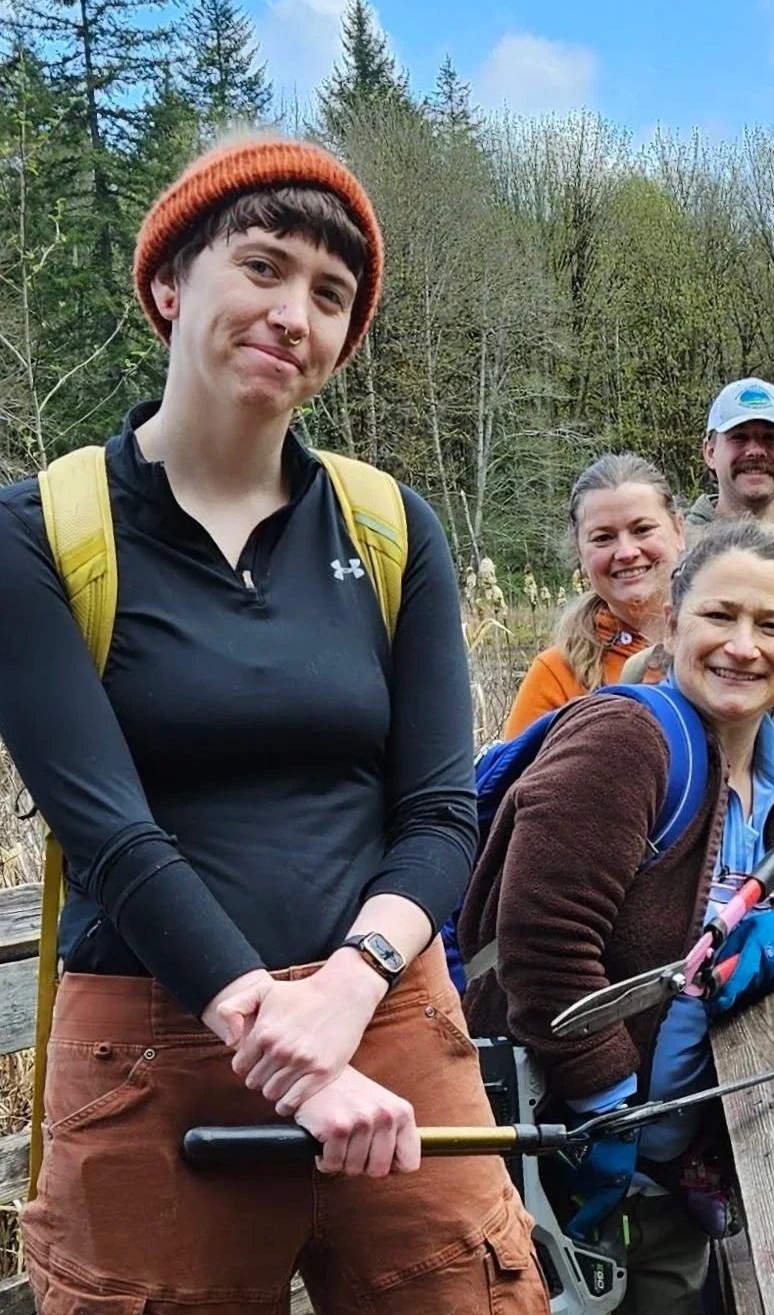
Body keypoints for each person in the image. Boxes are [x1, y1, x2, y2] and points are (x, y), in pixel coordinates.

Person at [0, 136, 546, 1310]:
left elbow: (443, 812)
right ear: (168, 283)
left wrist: (347, 989)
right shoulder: (42, 532)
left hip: (389, 1018)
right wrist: (286, 1047)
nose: (294, 312)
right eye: (262, 266)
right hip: (153, 1043)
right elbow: (110, 831)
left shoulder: (390, 525)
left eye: (331, 294)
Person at [459, 520, 774, 1314]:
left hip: (667, 1181)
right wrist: (607, 1115)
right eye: (718, 616)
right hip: (548, 1162)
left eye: (771, 626)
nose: (742, 645)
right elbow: (544, 947)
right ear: (671, 621)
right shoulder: (627, 739)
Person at [502, 453, 774, 821]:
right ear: (580, 553)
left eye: (642, 530)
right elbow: (512, 800)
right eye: (603, 538)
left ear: (678, 530)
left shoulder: (752, 645)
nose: (626, 552)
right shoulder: (558, 672)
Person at [684, 377, 774, 539]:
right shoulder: (676, 550)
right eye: (739, 437)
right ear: (710, 452)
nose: (755, 451)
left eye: (770, 438)